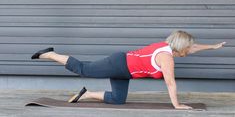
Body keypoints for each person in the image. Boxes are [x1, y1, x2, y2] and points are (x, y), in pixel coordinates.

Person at [31, 30, 226, 109]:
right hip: (119, 64)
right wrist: (176, 105)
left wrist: (213, 46)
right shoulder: (166, 58)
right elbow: (170, 82)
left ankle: (86, 94)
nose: (190, 50)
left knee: (118, 100)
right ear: (180, 47)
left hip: (125, 71)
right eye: (188, 48)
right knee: (84, 69)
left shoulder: (167, 46)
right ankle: (49, 54)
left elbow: (192, 47)